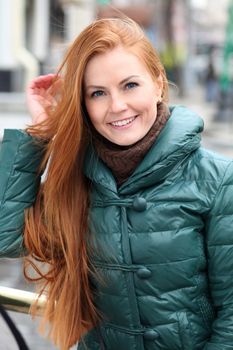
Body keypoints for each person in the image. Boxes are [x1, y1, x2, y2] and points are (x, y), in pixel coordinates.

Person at [0, 17, 233, 350]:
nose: (117, 106)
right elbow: (6, 237)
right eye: (98, 93)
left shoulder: (218, 179)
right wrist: (41, 134)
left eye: (130, 85)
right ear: (83, 105)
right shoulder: (77, 180)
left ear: (158, 83)